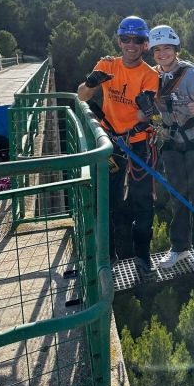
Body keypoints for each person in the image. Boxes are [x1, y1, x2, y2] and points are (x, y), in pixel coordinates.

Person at [77, 15, 159, 270]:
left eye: (137, 40)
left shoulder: (149, 75)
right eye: (126, 39)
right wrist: (91, 83)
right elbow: (81, 95)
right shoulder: (107, 65)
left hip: (136, 143)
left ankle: (142, 255)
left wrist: (146, 109)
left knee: (143, 201)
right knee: (106, 200)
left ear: (145, 44)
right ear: (119, 41)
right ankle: (108, 256)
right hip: (110, 142)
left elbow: (142, 115)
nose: (131, 45)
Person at [149, 24, 194, 273]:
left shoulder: (190, 76)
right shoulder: (152, 77)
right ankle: (179, 247)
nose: (162, 54)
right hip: (172, 142)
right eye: (157, 49)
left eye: (167, 48)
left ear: (176, 50)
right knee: (178, 196)